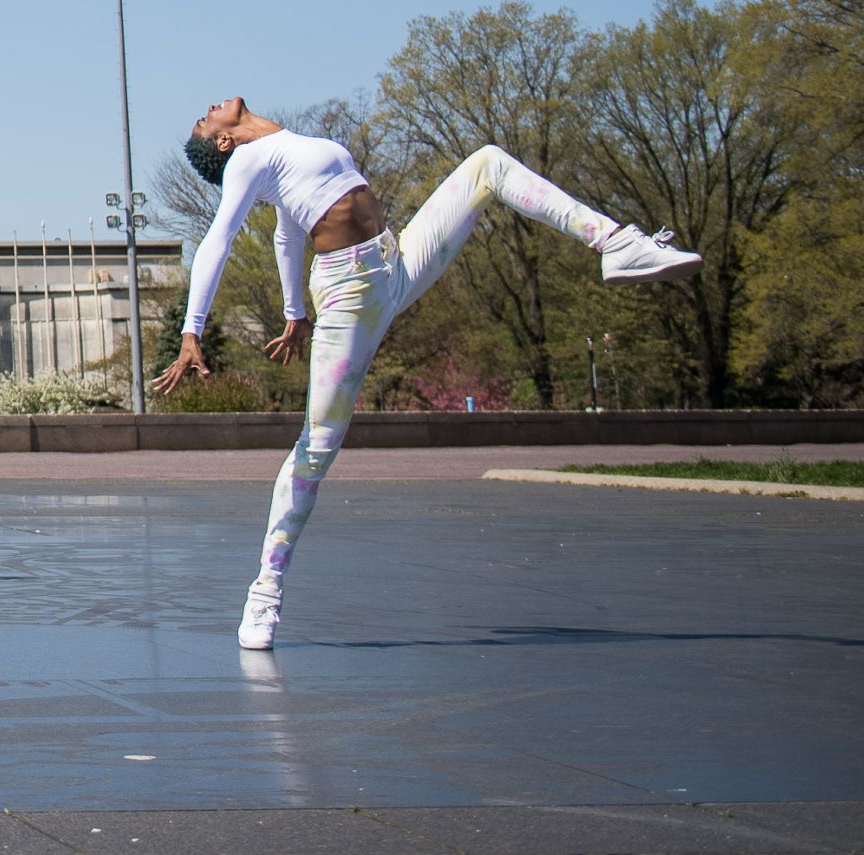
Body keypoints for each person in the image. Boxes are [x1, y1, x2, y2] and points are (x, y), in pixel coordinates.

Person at [153, 99, 697, 650]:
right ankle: (265, 592)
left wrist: (294, 314)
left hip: (396, 261)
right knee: (317, 446)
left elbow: (287, 235)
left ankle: (617, 243)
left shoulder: (288, 150)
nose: (208, 108)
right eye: (203, 119)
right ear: (224, 143)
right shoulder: (249, 160)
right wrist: (191, 331)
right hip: (349, 296)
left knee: (487, 163)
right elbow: (218, 242)